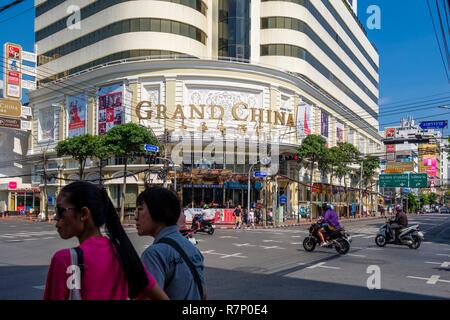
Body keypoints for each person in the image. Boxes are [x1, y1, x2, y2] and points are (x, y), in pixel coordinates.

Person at [43, 181, 168, 300]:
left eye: (60, 211)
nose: (56, 218)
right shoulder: (123, 254)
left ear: (84, 214)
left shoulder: (64, 260)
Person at [136, 187, 207, 300]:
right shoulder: (192, 248)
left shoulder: (153, 254)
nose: (135, 216)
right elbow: (203, 294)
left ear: (158, 211)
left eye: (140, 209)